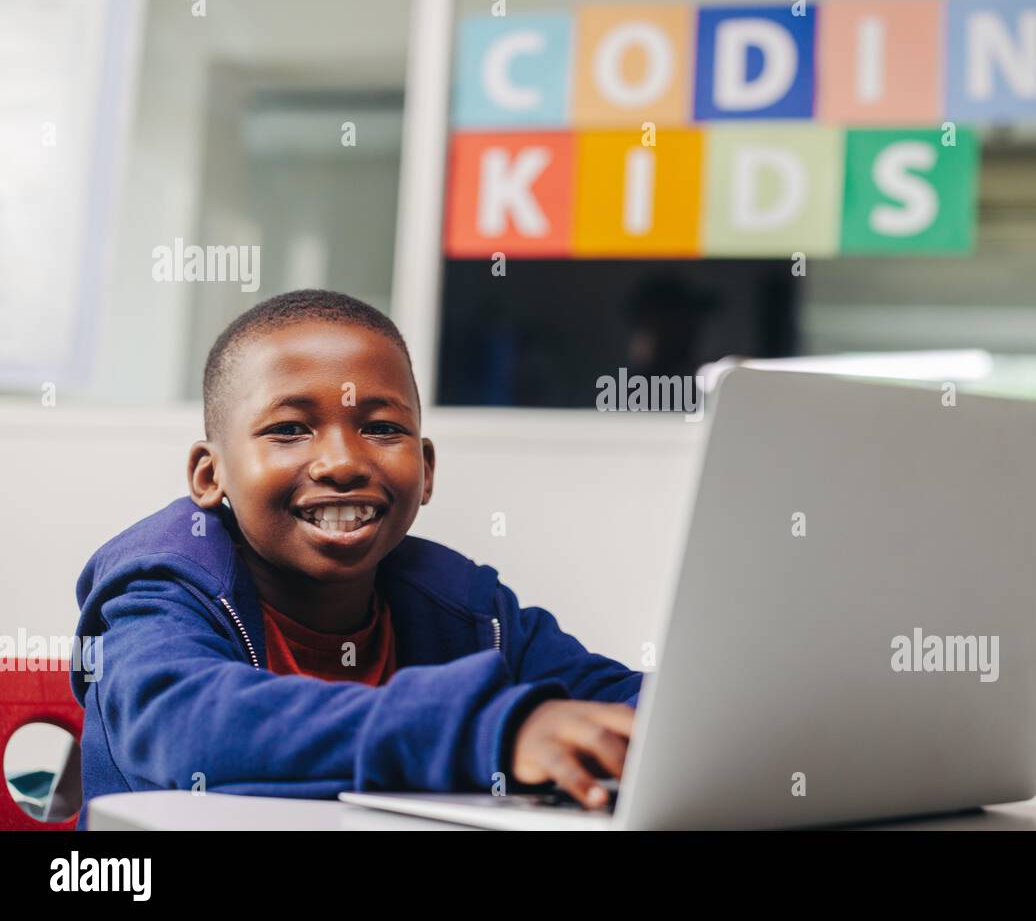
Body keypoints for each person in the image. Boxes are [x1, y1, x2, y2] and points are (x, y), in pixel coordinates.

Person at [71, 290, 641, 830]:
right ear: (209, 474)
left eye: (382, 428)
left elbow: (618, 702)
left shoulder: (466, 608)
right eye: (289, 429)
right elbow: (187, 727)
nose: (341, 462)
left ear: (426, 470)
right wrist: (492, 731)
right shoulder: (161, 588)